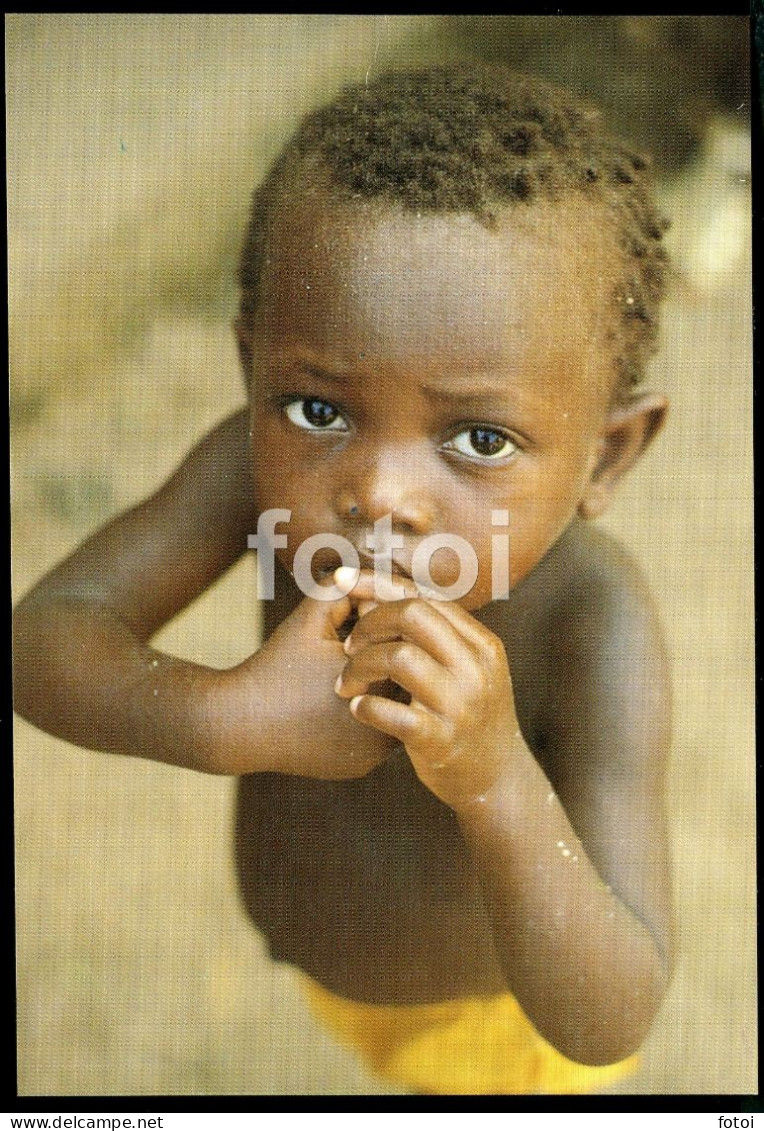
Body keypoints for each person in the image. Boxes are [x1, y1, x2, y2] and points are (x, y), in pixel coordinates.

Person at [12, 65, 674, 1095]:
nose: (377, 494)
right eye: (317, 409)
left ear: (605, 457)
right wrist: (226, 718)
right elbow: (47, 636)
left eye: (479, 437)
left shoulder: (596, 624)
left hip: (491, 1040)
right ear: (251, 369)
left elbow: (611, 1007)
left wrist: (494, 779)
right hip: (333, 988)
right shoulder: (253, 475)